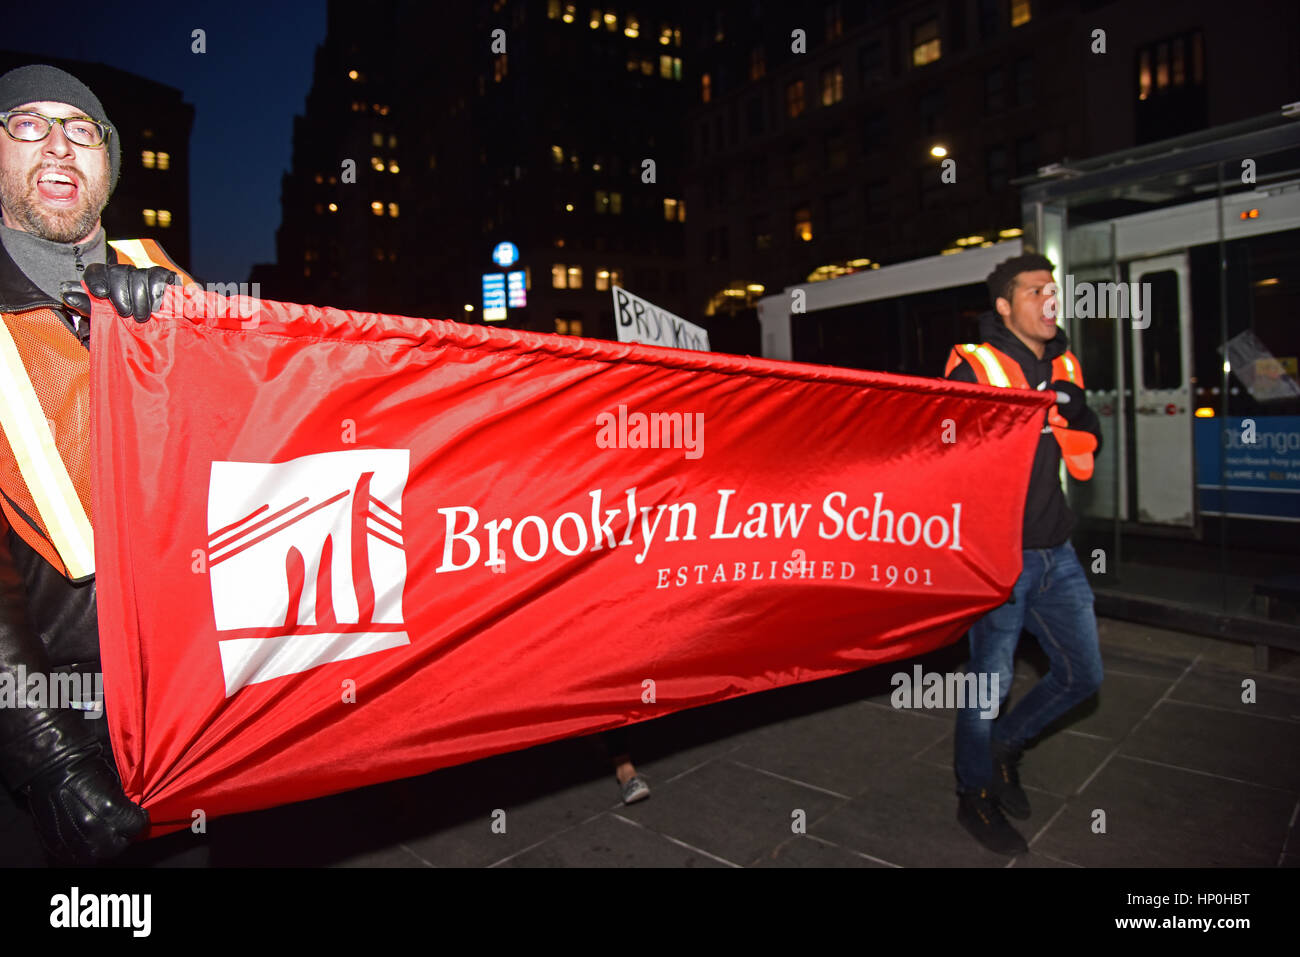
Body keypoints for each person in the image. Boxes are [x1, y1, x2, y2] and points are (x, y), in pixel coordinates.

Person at [0, 63, 192, 865]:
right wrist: (43, 753)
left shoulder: (171, 285)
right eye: (28, 124)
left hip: (185, 710)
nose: (58, 144)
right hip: (57, 715)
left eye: (82, 130)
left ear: (108, 164)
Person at [943, 253, 1105, 856]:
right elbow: (944, 451)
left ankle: (1005, 745)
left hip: (1055, 552)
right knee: (989, 682)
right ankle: (974, 795)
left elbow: (1089, 440)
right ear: (1005, 306)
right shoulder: (976, 364)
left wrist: (1074, 405)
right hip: (999, 558)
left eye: (1053, 290)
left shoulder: (1065, 361)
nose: (1050, 300)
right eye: (1036, 291)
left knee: (1082, 675)